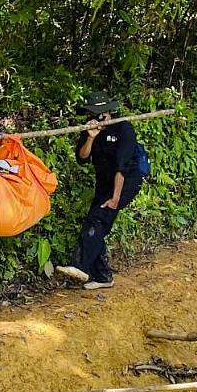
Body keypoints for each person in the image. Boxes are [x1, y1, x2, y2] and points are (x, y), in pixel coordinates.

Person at [56, 91, 143, 290]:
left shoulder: (123, 129)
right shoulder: (90, 130)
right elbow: (82, 158)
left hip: (125, 182)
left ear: (105, 113)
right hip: (103, 183)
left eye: (94, 113)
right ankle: (103, 277)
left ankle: (80, 266)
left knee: (97, 220)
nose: (91, 117)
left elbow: (122, 166)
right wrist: (91, 137)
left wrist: (115, 198)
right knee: (97, 225)